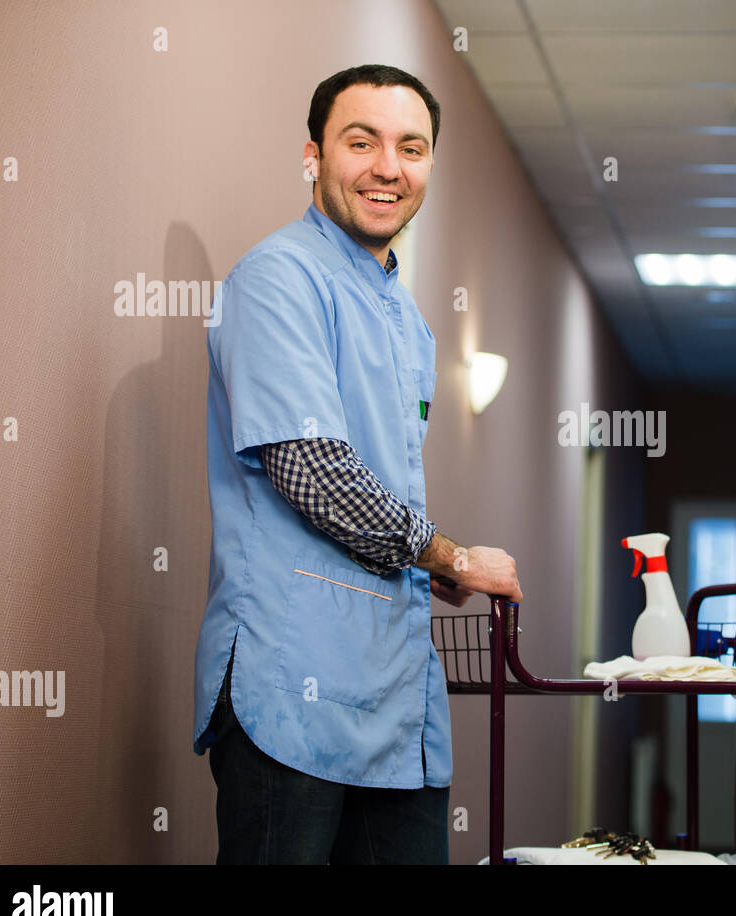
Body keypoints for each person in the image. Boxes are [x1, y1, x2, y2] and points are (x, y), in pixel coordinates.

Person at [191, 64, 522, 865]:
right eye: (360, 141)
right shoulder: (278, 279)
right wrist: (452, 555)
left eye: (411, 147)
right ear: (313, 155)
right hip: (291, 690)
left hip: (393, 700)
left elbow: (382, 485)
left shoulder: (406, 320)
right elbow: (311, 471)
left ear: (429, 167)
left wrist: (426, 563)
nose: (388, 167)